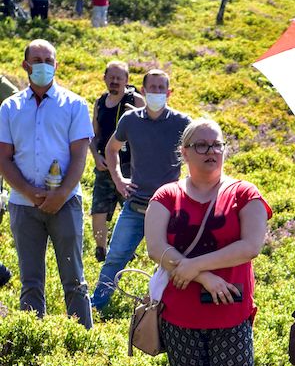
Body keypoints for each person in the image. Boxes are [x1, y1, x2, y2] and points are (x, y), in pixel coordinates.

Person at [144, 118, 271, 366]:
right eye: (201, 145)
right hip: (179, 317)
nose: (211, 151)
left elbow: (250, 246)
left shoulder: (244, 193)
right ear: (184, 152)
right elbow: (156, 248)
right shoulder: (166, 196)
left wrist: (194, 265)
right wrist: (204, 277)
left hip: (230, 314)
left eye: (216, 144)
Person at [0, 40, 93, 326]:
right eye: (37, 60)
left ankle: (83, 338)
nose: (43, 65)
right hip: (23, 205)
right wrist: (30, 192)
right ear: (25, 65)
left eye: (48, 60)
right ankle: (36, 338)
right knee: (30, 281)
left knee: (74, 278)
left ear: (56, 65)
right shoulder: (9, 107)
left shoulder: (75, 105)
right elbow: (4, 158)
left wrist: (61, 194)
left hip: (66, 203)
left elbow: (79, 156)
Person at [91, 69, 190, 313]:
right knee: (115, 257)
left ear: (169, 92)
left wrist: (190, 187)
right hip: (136, 205)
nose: (156, 92)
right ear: (143, 91)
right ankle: (96, 306)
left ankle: (168, 312)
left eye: (161, 88)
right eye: (152, 88)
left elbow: (198, 153)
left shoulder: (182, 122)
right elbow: (111, 149)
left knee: (173, 262)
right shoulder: (130, 120)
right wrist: (118, 179)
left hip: (170, 210)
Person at [89, 61, 144, 262]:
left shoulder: (135, 100)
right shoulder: (100, 102)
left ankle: (127, 250)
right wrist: (96, 156)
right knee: (99, 209)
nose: (114, 81)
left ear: (126, 80)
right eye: (111, 77)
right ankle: (101, 250)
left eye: (119, 78)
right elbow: (93, 135)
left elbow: (150, 128)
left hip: (130, 166)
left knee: (131, 209)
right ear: (104, 78)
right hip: (104, 165)